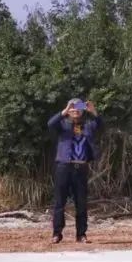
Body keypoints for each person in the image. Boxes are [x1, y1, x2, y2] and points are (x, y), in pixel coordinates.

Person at [47, 98, 102, 244]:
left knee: (81, 203)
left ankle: (81, 234)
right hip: (64, 167)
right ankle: (57, 233)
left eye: (78, 107)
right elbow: (50, 123)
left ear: (83, 110)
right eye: (72, 107)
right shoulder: (63, 125)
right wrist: (64, 111)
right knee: (60, 202)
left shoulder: (88, 125)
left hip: (80, 168)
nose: (75, 110)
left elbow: (101, 124)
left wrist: (93, 111)